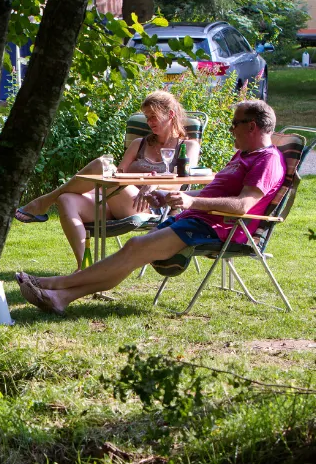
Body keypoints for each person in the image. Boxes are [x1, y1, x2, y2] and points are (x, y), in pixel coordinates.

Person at [16, 99, 284, 315]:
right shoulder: (243, 155)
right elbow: (212, 191)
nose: (231, 129)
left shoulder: (267, 160)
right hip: (197, 219)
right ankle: (61, 298)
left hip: (218, 228)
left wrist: (191, 200)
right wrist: (170, 195)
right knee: (133, 253)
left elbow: (243, 205)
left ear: (252, 127)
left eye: (235, 124)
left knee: (134, 249)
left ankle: (50, 284)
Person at [14, 91, 200, 270]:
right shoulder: (139, 144)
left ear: (170, 114)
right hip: (116, 199)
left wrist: (154, 184)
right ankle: (84, 267)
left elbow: (180, 183)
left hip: (149, 204)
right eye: (147, 117)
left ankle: (44, 201)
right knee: (67, 199)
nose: (149, 122)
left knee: (101, 165)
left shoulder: (188, 146)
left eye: (153, 116)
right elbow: (117, 175)